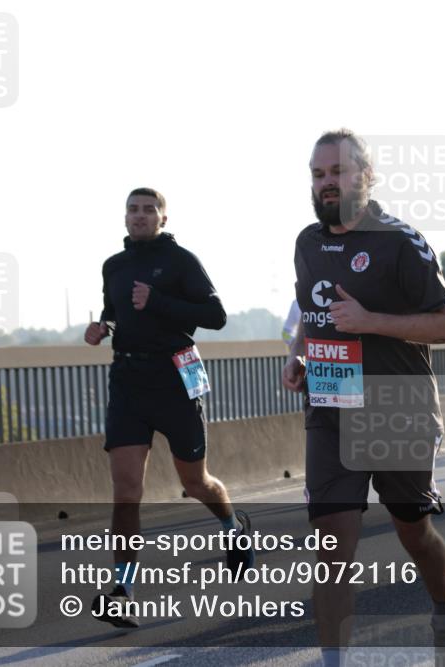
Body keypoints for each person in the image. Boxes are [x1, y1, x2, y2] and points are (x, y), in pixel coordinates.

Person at [281, 130, 445, 667]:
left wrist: (371, 323)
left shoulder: (399, 241)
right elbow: (311, 312)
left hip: (396, 408)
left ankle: (443, 609)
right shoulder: (308, 243)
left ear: (364, 174)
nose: (326, 184)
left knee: (415, 533)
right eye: (318, 175)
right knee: (331, 553)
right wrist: (297, 354)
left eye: (336, 172)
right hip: (330, 410)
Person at [85, 187, 254, 628]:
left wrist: (157, 300)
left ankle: (234, 528)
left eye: (148, 210)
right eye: (132, 210)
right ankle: (123, 591)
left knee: (195, 483)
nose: (139, 216)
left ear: (163, 217)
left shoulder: (181, 261)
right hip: (127, 383)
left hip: (175, 380)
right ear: (124, 217)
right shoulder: (114, 266)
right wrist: (102, 327)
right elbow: (116, 311)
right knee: (126, 494)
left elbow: (215, 315)